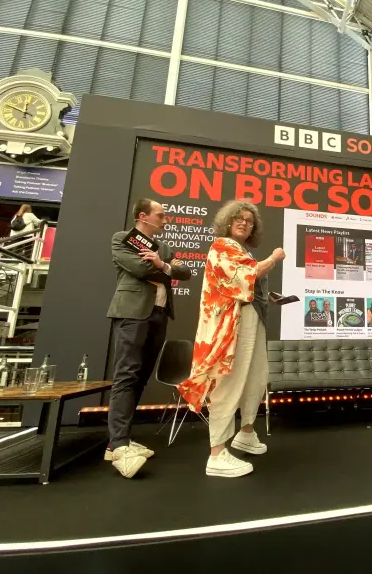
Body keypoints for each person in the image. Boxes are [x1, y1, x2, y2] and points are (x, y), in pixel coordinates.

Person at [178, 200, 285, 478]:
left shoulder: (240, 250)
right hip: (232, 325)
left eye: (249, 221)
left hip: (251, 319)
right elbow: (245, 277)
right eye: (239, 218)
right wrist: (274, 258)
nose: (244, 223)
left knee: (255, 376)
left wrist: (268, 297)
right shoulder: (222, 245)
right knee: (230, 380)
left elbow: (246, 286)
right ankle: (216, 453)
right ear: (227, 221)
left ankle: (246, 432)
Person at [105, 199, 191, 478]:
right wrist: (166, 268)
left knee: (141, 376)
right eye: (161, 216)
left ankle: (120, 440)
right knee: (126, 374)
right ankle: (118, 445)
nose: (166, 220)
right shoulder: (121, 239)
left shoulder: (164, 249)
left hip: (159, 315)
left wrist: (163, 265)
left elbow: (185, 273)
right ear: (143, 216)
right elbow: (140, 270)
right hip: (132, 313)